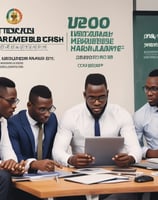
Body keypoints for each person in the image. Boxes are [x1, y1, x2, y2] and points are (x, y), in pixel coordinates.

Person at [52, 73, 142, 200]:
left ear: (108, 93)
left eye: (102, 97)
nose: (97, 102)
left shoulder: (121, 114)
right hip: (80, 175)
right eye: (91, 98)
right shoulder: (71, 115)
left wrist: (130, 158)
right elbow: (57, 151)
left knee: (130, 194)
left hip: (114, 175)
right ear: (84, 95)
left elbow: (136, 150)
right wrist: (70, 159)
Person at [8, 85, 61, 200]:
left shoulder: (52, 120)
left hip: (48, 178)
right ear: (29, 105)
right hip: (23, 181)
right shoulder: (13, 123)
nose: (47, 114)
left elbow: (53, 150)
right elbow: (15, 157)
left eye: (50, 108)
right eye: (42, 109)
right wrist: (34, 164)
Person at [133, 69, 158, 200]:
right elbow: (133, 148)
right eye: (146, 88)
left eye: (154, 89)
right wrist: (150, 152)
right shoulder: (140, 115)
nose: (148, 93)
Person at [0, 77, 25, 200]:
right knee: (3, 176)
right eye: (11, 101)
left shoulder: (3, 121)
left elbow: (7, 150)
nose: (14, 106)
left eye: (15, 101)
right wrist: (4, 165)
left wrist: (13, 165)